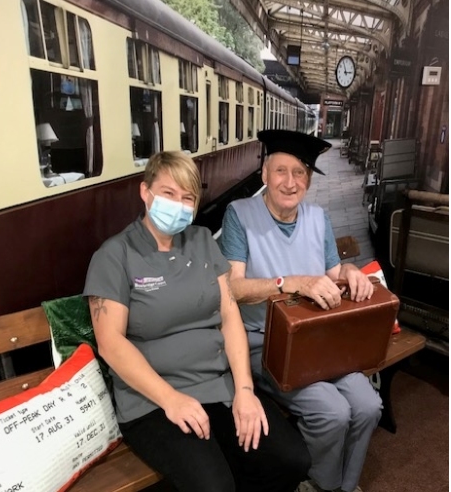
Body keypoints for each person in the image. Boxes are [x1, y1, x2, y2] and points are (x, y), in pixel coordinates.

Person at [83, 150, 311, 492]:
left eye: (187, 197)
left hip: (217, 384)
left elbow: (230, 316)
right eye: (168, 193)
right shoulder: (115, 255)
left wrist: (245, 391)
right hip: (153, 399)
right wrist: (170, 398)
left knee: (292, 459)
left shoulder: (202, 241)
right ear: (145, 193)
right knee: (214, 486)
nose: (179, 204)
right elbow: (111, 343)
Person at [218, 130, 382, 492]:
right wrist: (288, 282)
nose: (290, 182)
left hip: (316, 341)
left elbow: (333, 272)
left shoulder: (317, 218)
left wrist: (352, 272)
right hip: (266, 346)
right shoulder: (239, 215)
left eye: (299, 173)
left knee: (368, 404)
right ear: (264, 174)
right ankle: (321, 485)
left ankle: (346, 485)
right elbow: (233, 288)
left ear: (308, 180)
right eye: (281, 171)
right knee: (333, 411)